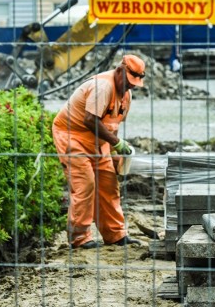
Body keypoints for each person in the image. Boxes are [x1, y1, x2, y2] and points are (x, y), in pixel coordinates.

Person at [52, 54, 146, 249]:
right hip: (73, 136)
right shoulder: (103, 86)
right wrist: (117, 143)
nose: (131, 87)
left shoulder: (126, 96)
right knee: (85, 184)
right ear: (120, 71)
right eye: (129, 82)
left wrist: (115, 154)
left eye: (134, 84)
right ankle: (79, 238)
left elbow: (112, 126)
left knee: (109, 184)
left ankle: (115, 234)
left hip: (98, 140)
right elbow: (89, 120)